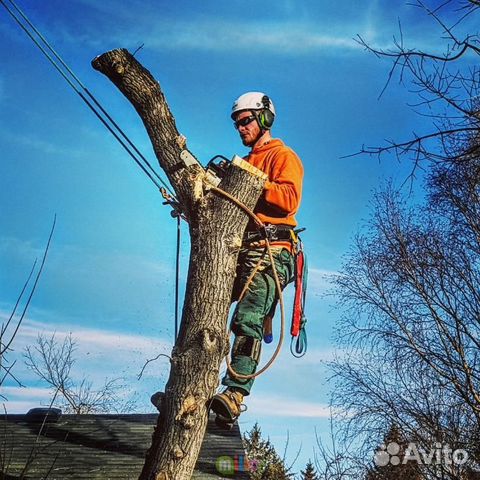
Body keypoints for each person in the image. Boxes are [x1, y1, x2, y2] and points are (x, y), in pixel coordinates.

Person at [210, 91, 304, 425]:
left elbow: (289, 199)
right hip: (239, 250)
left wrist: (253, 182)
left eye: (246, 121)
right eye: (237, 123)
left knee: (247, 318)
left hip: (271, 253)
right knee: (209, 308)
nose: (240, 128)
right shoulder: (245, 162)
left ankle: (234, 394)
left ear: (264, 118)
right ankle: (196, 386)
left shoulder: (282, 155)